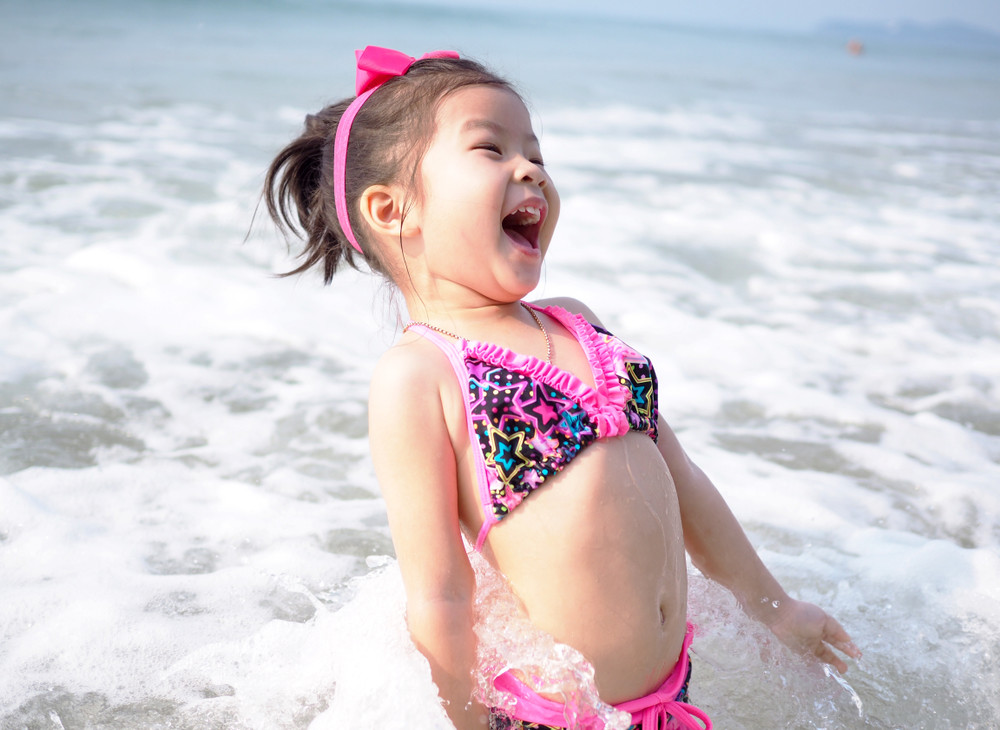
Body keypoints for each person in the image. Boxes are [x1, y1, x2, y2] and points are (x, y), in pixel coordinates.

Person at [263, 45, 861, 730]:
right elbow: (439, 595)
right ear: (392, 210)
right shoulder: (422, 374)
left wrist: (775, 606)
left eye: (537, 155)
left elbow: (680, 477)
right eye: (490, 149)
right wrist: (463, 721)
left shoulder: (578, 323)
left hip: (670, 697)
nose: (530, 171)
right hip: (554, 717)